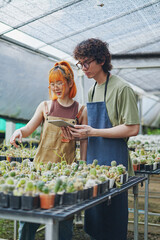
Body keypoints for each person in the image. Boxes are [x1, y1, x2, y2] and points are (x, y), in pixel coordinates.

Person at [65, 38, 140, 240]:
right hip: (94, 164)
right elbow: (89, 129)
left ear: (101, 59)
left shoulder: (122, 89)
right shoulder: (91, 90)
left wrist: (93, 132)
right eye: (80, 64)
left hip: (116, 164)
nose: (84, 68)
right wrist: (81, 142)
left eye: (86, 62)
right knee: (95, 222)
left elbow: (132, 128)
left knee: (112, 223)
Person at [10, 60, 87, 240]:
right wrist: (18, 132)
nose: (56, 87)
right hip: (40, 169)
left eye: (59, 83)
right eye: (52, 84)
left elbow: (84, 140)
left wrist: (82, 164)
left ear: (69, 82)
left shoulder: (80, 110)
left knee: (63, 217)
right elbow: (28, 129)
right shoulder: (45, 106)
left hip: (65, 171)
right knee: (29, 216)